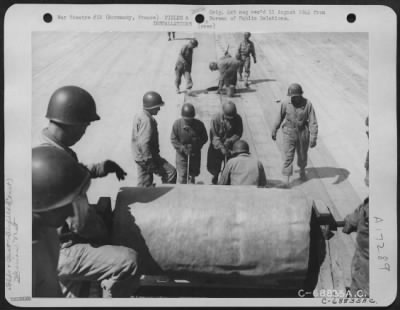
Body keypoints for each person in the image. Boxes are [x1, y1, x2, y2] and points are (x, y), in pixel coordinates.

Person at [40, 85, 140, 297]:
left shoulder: (46, 154)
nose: (85, 132)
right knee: (129, 261)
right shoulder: (58, 164)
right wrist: (107, 233)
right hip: (61, 250)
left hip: (48, 244)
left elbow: (74, 173)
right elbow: (81, 223)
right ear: (72, 123)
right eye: (84, 126)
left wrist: (101, 168)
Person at [32, 146, 90, 297]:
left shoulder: (49, 234)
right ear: (42, 204)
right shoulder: (19, 255)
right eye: (63, 205)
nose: (71, 212)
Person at [271, 83, 318, 186]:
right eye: (292, 97)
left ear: (301, 95)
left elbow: (313, 122)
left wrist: (313, 137)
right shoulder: (285, 103)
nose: (294, 99)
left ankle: (302, 170)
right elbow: (279, 117)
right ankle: (286, 179)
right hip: (289, 132)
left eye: (296, 97)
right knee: (288, 155)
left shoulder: (308, 104)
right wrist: (274, 129)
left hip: (302, 132)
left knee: (302, 154)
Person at [132, 91, 177, 187]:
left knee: (144, 183)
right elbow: (143, 143)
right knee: (170, 172)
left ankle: (142, 195)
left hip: (140, 156)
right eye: (157, 106)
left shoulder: (140, 115)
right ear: (151, 107)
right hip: (147, 157)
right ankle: (167, 198)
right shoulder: (147, 120)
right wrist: (149, 161)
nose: (159, 109)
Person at [342, 165, 369, 297]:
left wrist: (348, 223)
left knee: (361, 284)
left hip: (368, 261)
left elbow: (355, 220)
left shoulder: (372, 205)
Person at [171, 103, 208, 184]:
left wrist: (196, 146)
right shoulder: (177, 124)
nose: (188, 121)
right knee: (182, 176)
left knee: (193, 174)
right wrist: (182, 148)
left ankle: (192, 185)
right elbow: (173, 140)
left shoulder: (199, 125)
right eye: (186, 119)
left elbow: (205, 138)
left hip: (195, 154)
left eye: (190, 119)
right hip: (181, 155)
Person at [207, 101, 243, 184]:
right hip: (216, 147)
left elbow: (239, 133)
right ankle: (215, 176)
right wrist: (221, 147)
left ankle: (225, 179)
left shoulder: (238, 118)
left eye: (232, 118)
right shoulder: (215, 119)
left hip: (230, 147)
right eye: (228, 118)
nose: (230, 120)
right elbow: (214, 136)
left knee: (229, 167)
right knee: (214, 166)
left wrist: (230, 140)